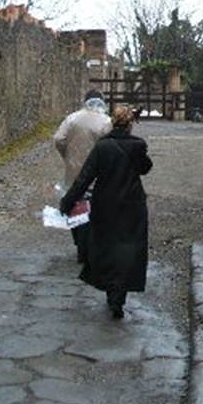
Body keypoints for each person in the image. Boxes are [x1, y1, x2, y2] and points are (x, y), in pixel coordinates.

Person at [60, 106, 152, 319]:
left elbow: (85, 178)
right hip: (132, 204)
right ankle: (120, 295)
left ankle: (112, 290)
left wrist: (68, 202)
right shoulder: (138, 146)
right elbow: (145, 168)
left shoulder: (102, 147)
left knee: (108, 247)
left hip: (106, 204)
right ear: (130, 125)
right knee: (128, 249)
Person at [54, 91, 112, 261]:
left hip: (74, 170)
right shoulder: (106, 121)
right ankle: (93, 246)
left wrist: (67, 155)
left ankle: (80, 244)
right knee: (96, 207)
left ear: (85, 101)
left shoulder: (72, 118)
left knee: (74, 204)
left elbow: (59, 139)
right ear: (101, 102)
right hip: (98, 172)